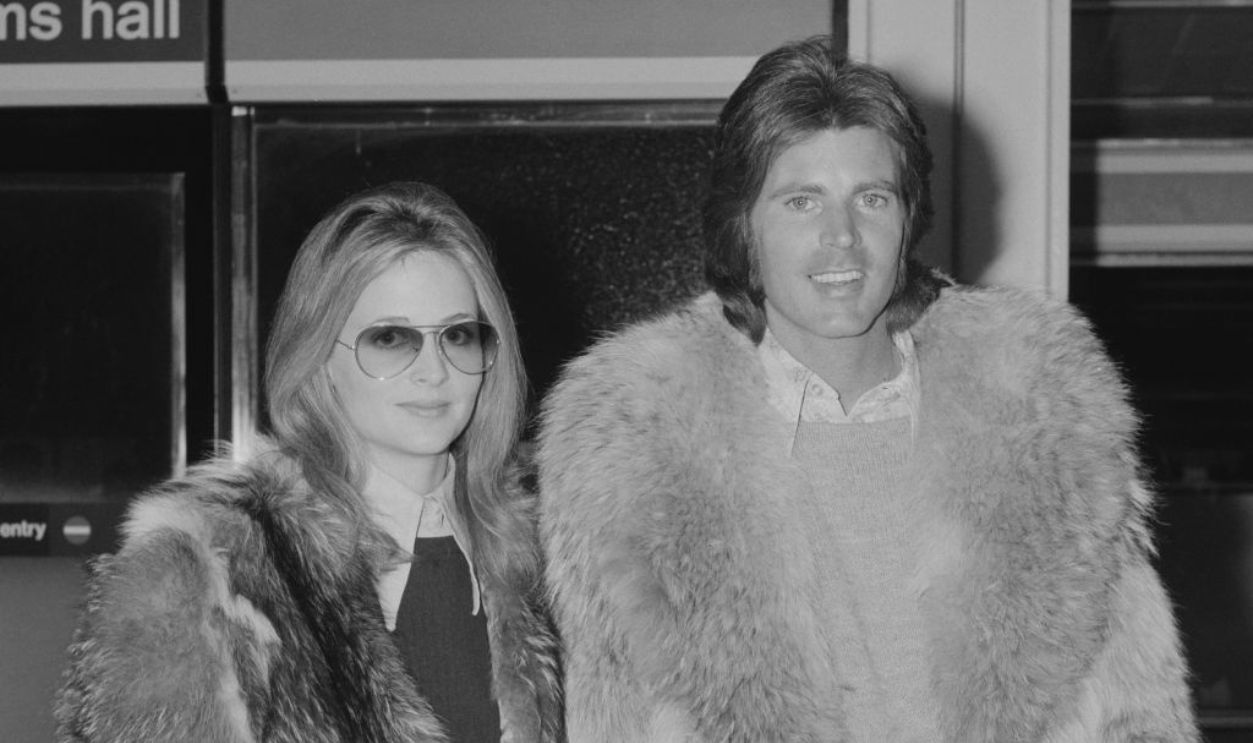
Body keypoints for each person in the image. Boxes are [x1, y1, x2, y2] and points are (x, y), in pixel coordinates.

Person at [536, 36, 1198, 742]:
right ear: (742, 227)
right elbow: (610, 717)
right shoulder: (634, 446)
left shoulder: (1042, 418)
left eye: (871, 198)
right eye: (801, 201)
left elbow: (1137, 712)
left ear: (908, 219)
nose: (842, 237)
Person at [56, 182, 563, 742]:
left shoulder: (559, 541)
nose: (434, 370)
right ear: (318, 356)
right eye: (390, 338)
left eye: (459, 335)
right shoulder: (207, 566)